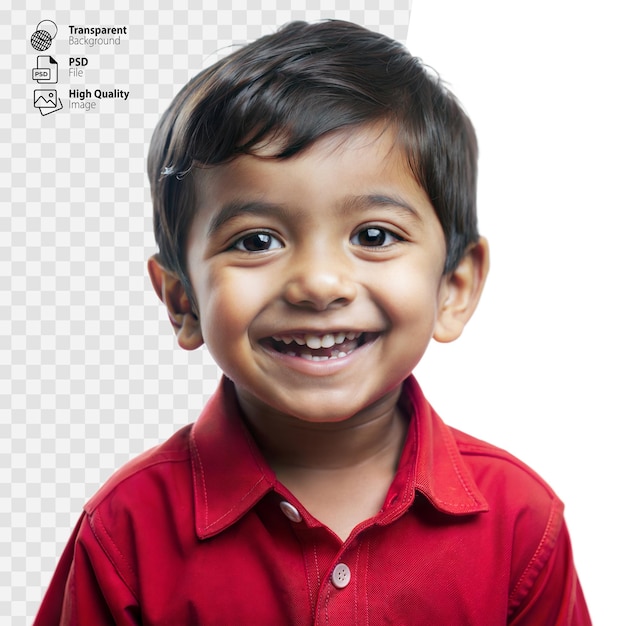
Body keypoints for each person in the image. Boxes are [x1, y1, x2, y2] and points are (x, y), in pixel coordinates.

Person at [34, 20, 591, 625]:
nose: (319, 283)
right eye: (256, 241)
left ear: (454, 287)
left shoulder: (520, 522)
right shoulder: (125, 530)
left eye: (374, 235)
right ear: (182, 301)